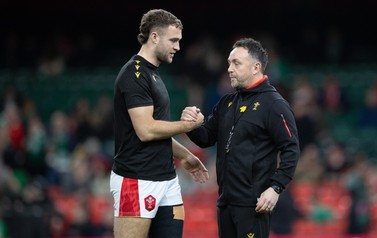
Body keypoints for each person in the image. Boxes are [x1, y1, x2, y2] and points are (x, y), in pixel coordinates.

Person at [181, 37, 300, 238]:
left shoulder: (274, 104)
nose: (229, 68)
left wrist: (276, 188)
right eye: (229, 62)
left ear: (256, 67)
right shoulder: (227, 102)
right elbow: (206, 138)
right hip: (225, 201)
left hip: (253, 204)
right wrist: (190, 124)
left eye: (236, 63)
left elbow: (291, 149)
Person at [110, 9, 209, 238]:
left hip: (167, 180)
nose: (178, 47)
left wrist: (185, 155)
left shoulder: (152, 73)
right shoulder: (134, 75)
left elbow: (158, 131)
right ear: (154, 36)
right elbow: (146, 131)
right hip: (136, 180)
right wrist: (189, 126)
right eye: (173, 40)